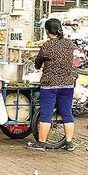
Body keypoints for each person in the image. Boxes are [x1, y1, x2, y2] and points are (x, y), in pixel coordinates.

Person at [28, 18, 76, 151]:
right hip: (67, 84)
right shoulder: (69, 44)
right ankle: (69, 143)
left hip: (50, 85)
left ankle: (41, 143)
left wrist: (39, 65)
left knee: (46, 114)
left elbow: (37, 63)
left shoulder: (47, 46)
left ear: (48, 31)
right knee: (67, 114)